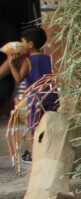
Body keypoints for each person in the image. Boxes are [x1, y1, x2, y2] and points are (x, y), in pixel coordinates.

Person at [2, 27, 57, 161]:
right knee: (48, 125)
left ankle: (35, 155)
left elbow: (18, 78)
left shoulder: (28, 61)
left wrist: (12, 63)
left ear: (30, 45)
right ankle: (49, 152)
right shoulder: (47, 58)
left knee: (32, 128)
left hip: (35, 99)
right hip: (50, 96)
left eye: (23, 42)